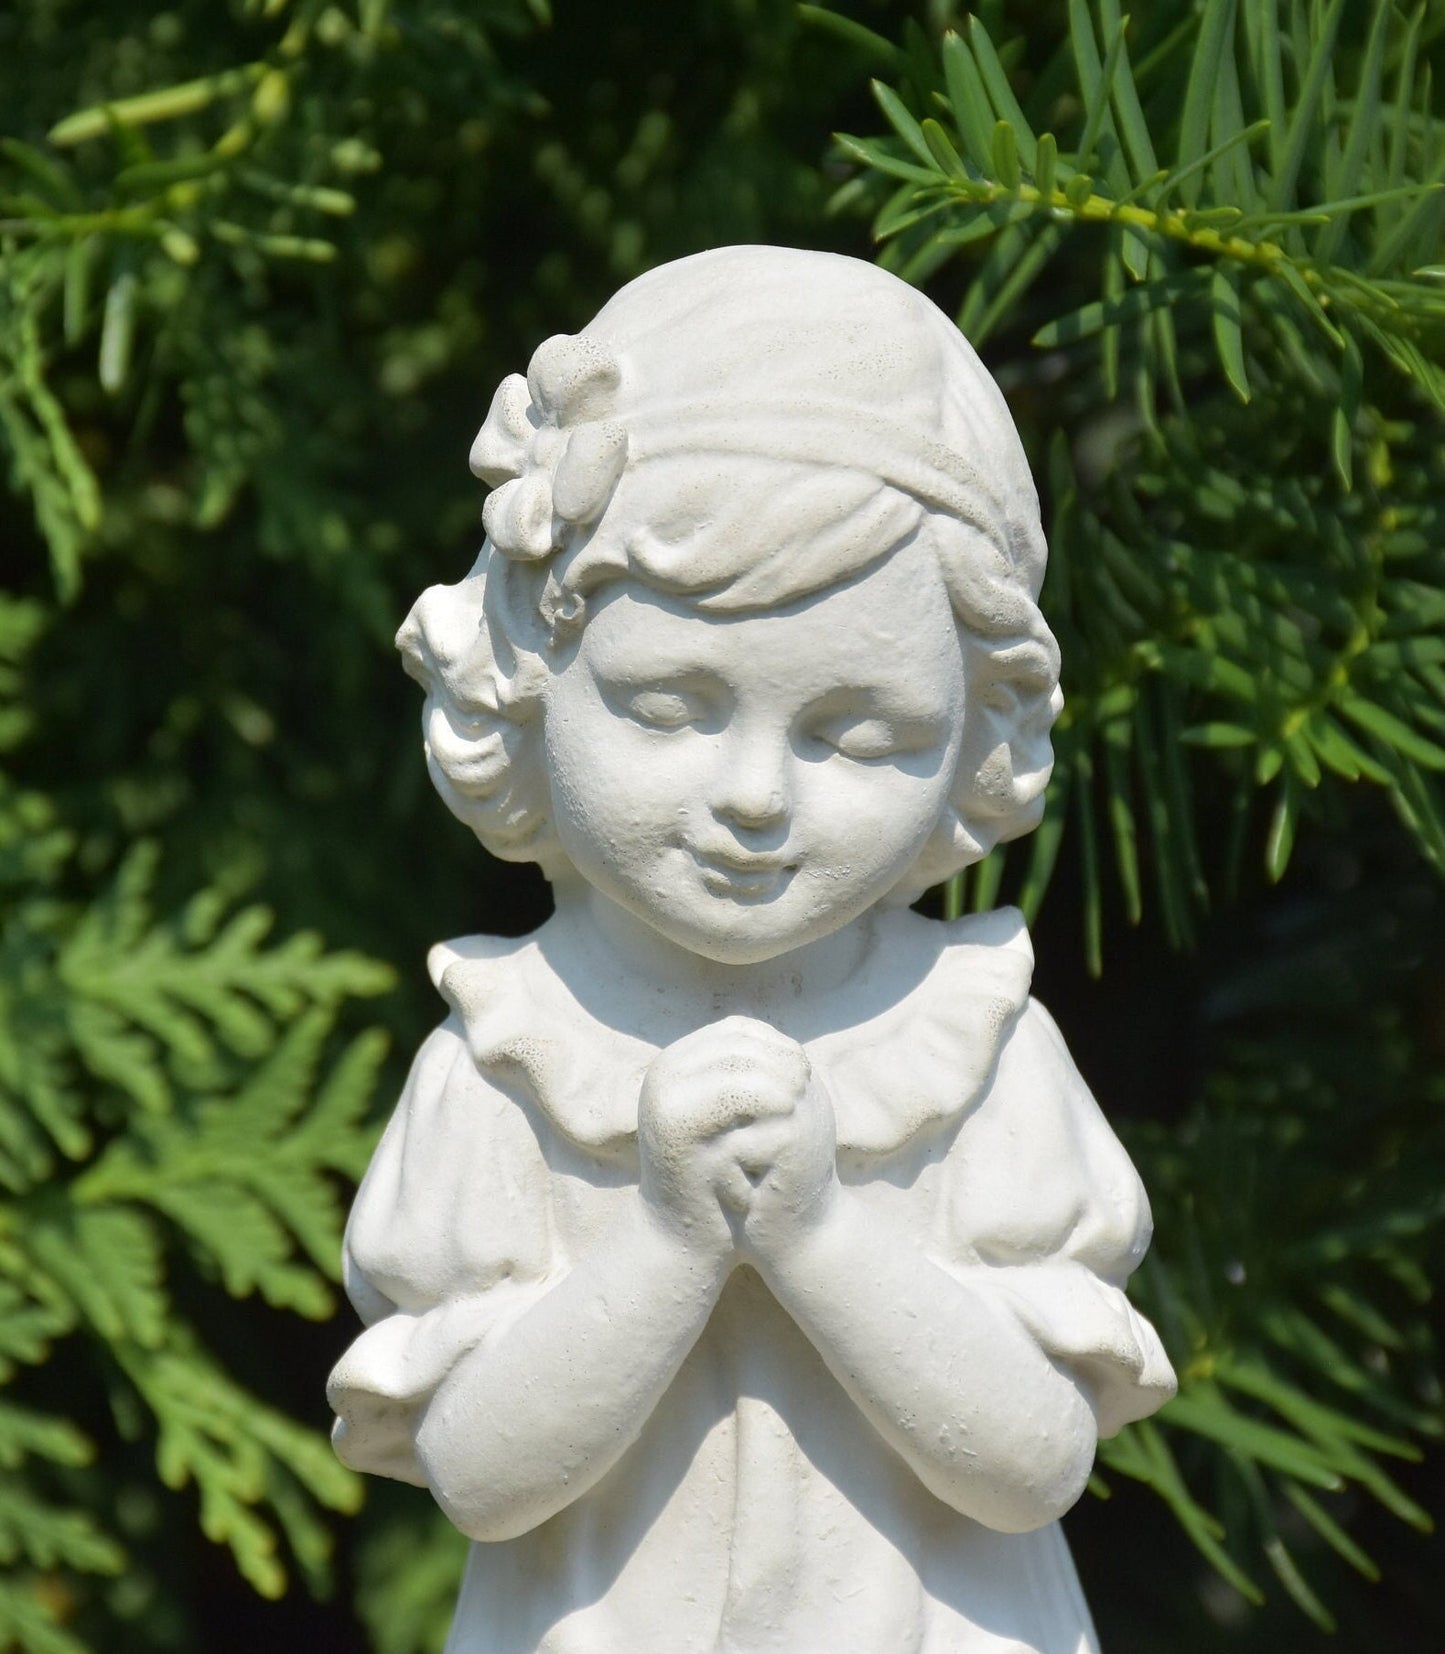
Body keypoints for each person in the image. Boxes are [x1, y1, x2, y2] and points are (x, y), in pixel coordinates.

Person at [328, 245, 1176, 1654]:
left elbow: (1032, 1462)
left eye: (857, 733)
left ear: (973, 737)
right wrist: (667, 1238)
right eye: (667, 707)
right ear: (533, 682)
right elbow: (477, 1477)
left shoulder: (978, 1047)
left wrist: (818, 1233)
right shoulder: (503, 1061)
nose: (755, 798)